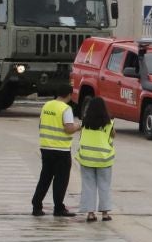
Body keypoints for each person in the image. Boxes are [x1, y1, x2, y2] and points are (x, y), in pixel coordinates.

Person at [31, 86, 83, 217]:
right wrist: (79, 125)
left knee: (45, 177)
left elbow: (40, 124)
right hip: (61, 149)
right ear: (69, 95)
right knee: (61, 180)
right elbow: (69, 129)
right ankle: (59, 208)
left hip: (46, 147)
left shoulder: (47, 105)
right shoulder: (66, 109)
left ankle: (36, 205)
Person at [75, 94, 116, 221]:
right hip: (104, 159)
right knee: (104, 185)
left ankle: (90, 213)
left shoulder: (85, 123)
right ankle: (105, 213)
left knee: (88, 186)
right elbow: (113, 136)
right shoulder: (109, 123)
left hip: (87, 158)